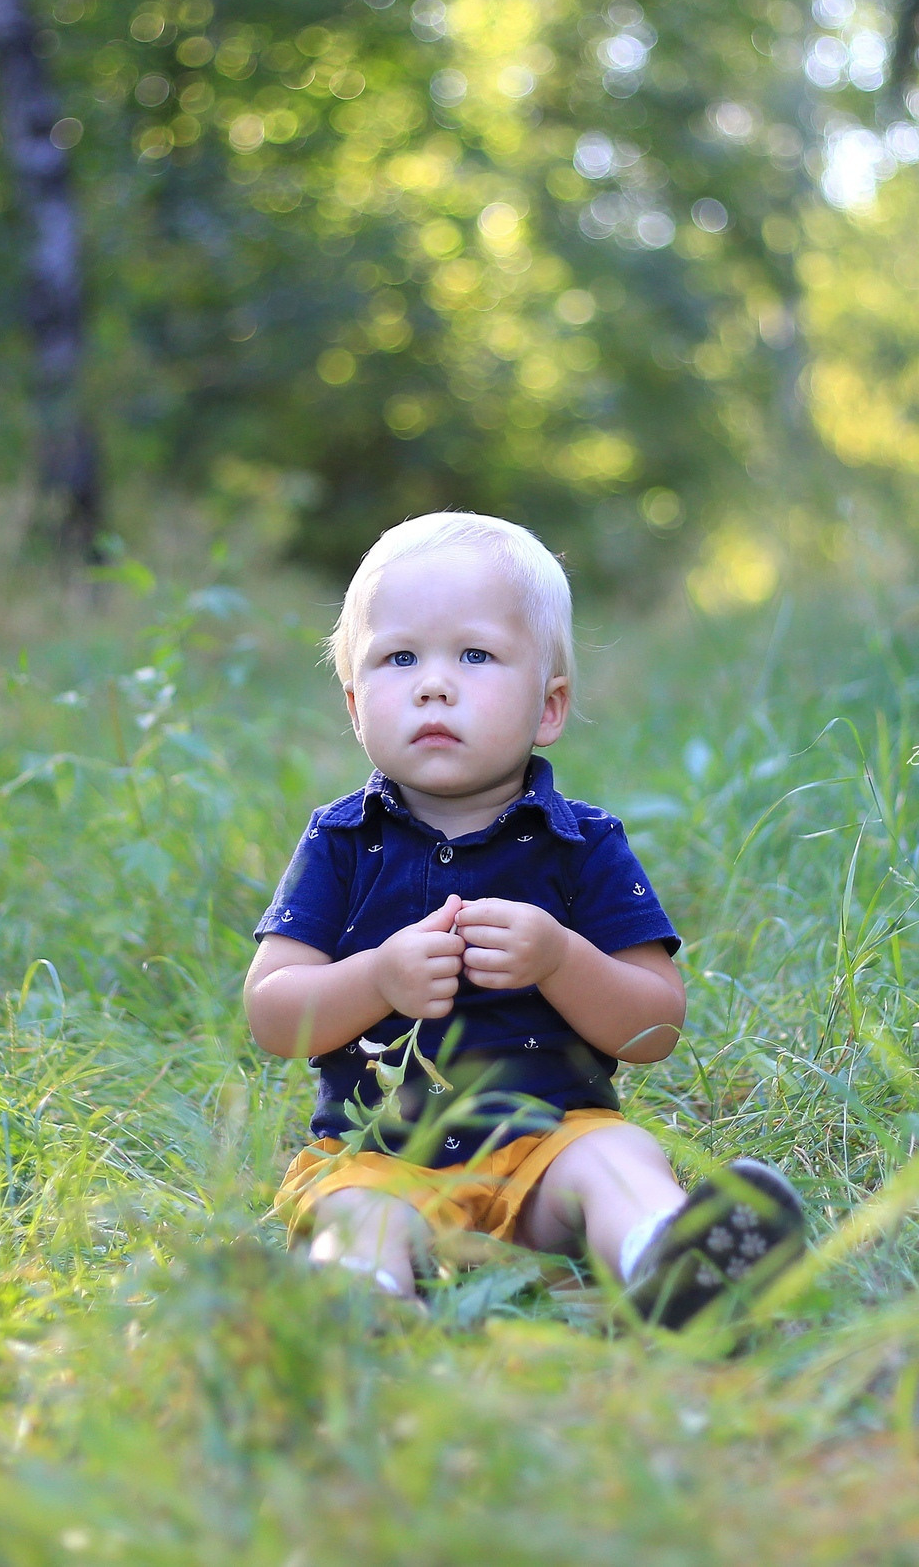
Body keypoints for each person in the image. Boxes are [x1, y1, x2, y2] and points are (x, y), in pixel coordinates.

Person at [242, 511, 805, 1329]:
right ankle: (362, 1304)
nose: (435, 683)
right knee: (358, 1211)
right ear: (359, 705)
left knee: (617, 1155)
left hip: (543, 1156)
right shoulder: (340, 841)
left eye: (475, 654)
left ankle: (670, 1265)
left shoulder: (581, 844)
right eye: (401, 657)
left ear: (549, 708)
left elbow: (653, 1029)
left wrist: (561, 959)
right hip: (377, 1158)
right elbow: (272, 1011)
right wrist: (376, 976)